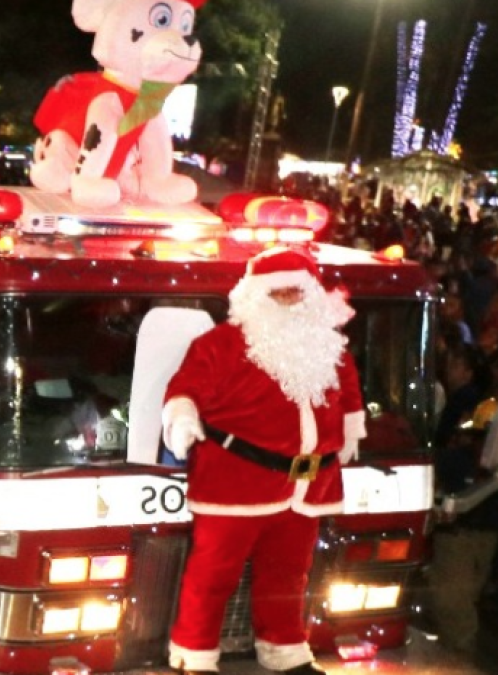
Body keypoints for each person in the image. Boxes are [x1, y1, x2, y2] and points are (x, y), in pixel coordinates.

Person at [160, 246, 365, 675]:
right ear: (255, 296)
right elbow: (188, 384)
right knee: (214, 574)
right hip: (237, 482)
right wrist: (181, 414)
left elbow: (347, 395)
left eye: (297, 292)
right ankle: (193, 655)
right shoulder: (221, 344)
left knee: (290, 574)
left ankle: (285, 648)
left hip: (309, 485)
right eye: (279, 293)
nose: (290, 300)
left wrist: (350, 430)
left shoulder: (330, 347)